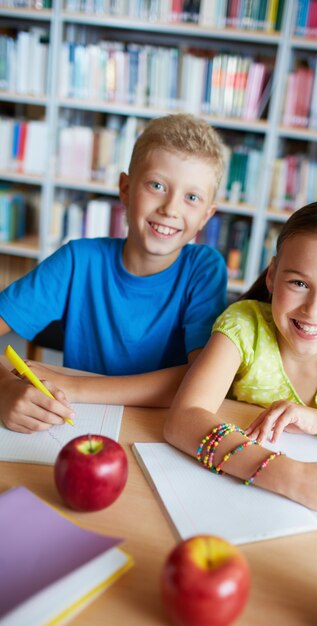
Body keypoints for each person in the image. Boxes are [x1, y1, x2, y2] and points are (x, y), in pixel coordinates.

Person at [164, 201, 317, 513]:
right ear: (272, 276)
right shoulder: (244, 327)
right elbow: (183, 418)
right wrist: (293, 477)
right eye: (299, 283)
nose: (313, 309)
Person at [0, 113, 227, 433]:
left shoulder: (204, 269)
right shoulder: (78, 261)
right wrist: (3, 389)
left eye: (192, 197)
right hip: (75, 423)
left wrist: (74, 386)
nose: (171, 209)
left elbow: (201, 379)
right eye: (157, 185)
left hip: (157, 431)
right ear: (126, 189)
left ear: (206, 216)